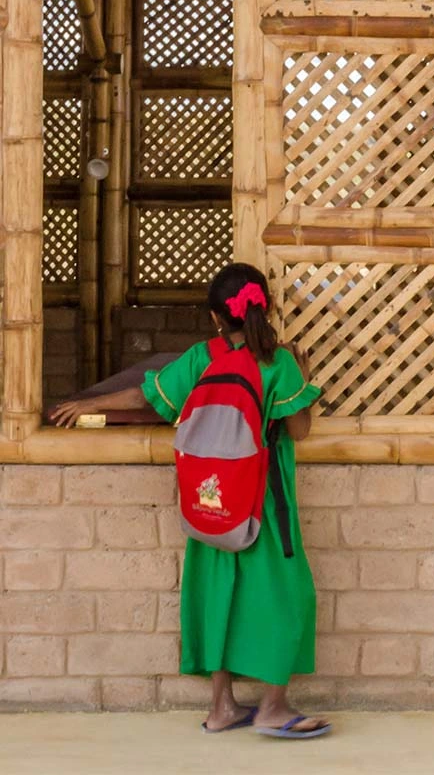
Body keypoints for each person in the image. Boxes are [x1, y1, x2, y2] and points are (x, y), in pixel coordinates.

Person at [51, 263, 330, 739]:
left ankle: (221, 707)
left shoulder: (203, 356)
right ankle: (273, 708)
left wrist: (90, 404)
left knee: (216, 595)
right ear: (267, 308)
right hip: (264, 504)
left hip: (210, 502)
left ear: (214, 319)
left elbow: (147, 398)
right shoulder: (276, 362)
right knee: (287, 595)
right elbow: (299, 430)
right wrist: (301, 377)